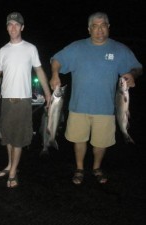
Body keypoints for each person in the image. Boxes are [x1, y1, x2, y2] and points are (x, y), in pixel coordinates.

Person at [50, 12, 143, 185]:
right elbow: (57, 59)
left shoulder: (119, 49)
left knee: (101, 142)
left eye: (103, 25)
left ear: (108, 27)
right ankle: (79, 168)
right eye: (95, 26)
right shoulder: (77, 47)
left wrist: (132, 74)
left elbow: (137, 67)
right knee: (79, 140)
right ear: (89, 29)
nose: (99, 30)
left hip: (106, 107)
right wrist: (55, 74)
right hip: (78, 105)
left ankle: (96, 167)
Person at [0, 12, 51, 188]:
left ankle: (13, 172)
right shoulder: (3, 50)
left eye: (17, 24)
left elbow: (39, 71)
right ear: (7, 28)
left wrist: (47, 93)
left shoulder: (31, 48)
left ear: (22, 27)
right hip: (6, 99)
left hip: (23, 100)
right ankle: (9, 165)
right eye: (10, 24)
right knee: (7, 136)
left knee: (18, 138)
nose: (13, 27)